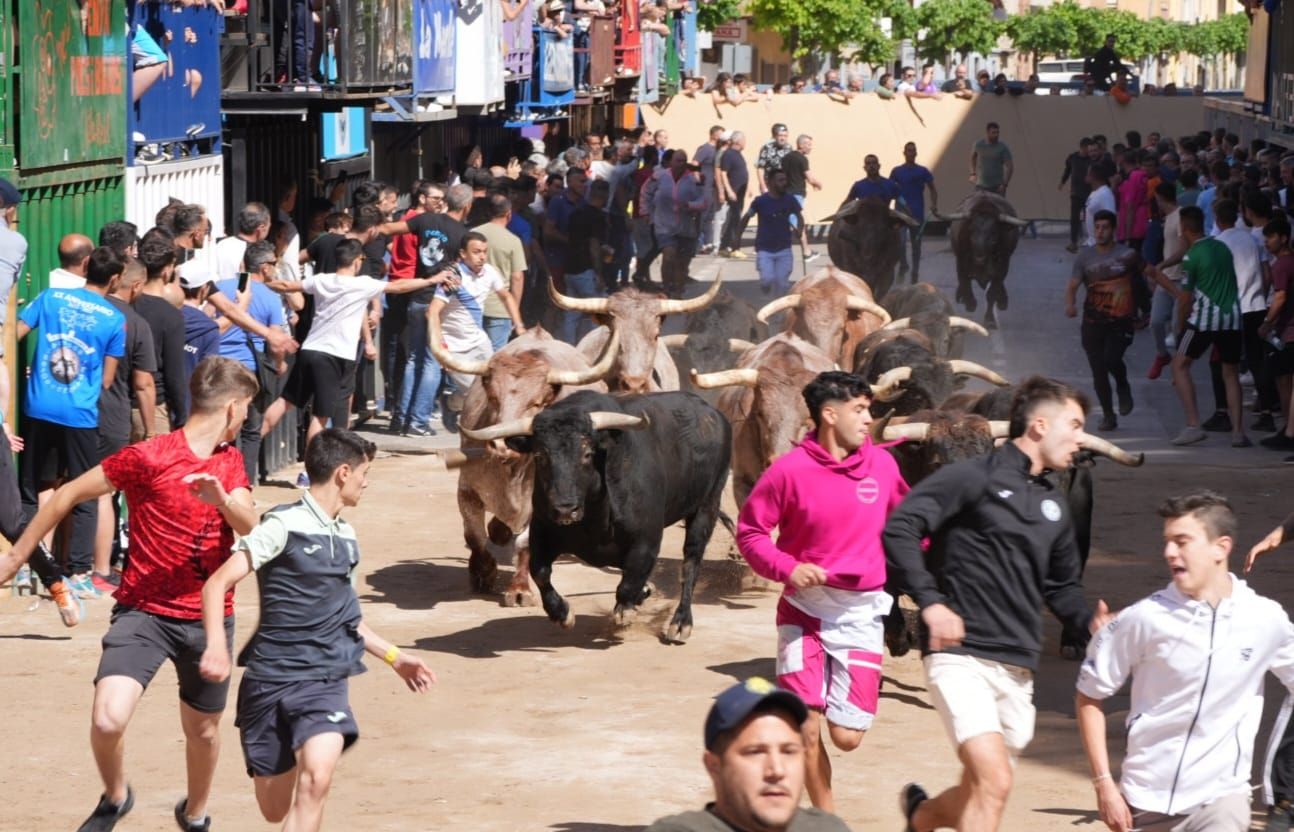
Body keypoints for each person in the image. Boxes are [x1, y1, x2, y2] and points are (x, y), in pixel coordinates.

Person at [0, 356, 262, 832]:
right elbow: (66, 495)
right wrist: (17, 557)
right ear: (233, 407)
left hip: (207, 619)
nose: (246, 418)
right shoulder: (150, 457)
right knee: (107, 720)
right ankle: (116, 796)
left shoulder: (230, 461)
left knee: (202, 731)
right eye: (246, 409)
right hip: (143, 612)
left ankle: (195, 814)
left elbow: (253, 527)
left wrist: (222, 500)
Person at [884, 376, 1112, 832]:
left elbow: (1061, 587)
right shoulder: (971, 477)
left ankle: (923, 817)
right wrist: (929, 603)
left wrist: (1089, 623)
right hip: (959, 655)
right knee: (996, 781)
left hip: (1018, 665)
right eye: (1075, 425)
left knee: (978, 787)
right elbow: (901, 528)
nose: (1081, 438)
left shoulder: (1054, 504)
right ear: (1040, 426)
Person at [198, 428, 435, 832]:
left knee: (317, 781)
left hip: (324, 679)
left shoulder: (346, 537)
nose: (366, 481)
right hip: (270, 681)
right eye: (364, 472)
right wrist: (217, 647)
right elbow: (217, 582)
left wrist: (395, 657)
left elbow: (347, 616)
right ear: (343, 472)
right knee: (274, 809)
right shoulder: (281, 525)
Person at [736, 372, 908, 811]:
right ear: (829, 415)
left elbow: (911, 529)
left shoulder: (884, 467)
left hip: (862, 614)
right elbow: (752, 533)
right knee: (806, 729)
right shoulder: (788, 471)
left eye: (869, 409)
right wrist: (788, 568)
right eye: (860, 409)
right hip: (803, 613)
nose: (870, 418)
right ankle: (826, 819)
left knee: (847, 738)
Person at [1077, 491, 1294, 832]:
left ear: (1220, 548)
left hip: (1222, 798)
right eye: (1167, 541)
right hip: (1144, 799)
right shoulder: (1142, 619)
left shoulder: (1265, 619)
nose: (1169, 552)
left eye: (1182, 541)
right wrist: (1104, 784)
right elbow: (1089, 696)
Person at [16, 246, 126, 598]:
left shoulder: (51, 297)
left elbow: (13, 333)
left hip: (38, 406)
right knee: (86, 492)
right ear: (114, 279)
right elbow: (108, 379)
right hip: (79, 414)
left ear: (85, 268)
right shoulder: (114, 319)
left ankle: (29, 566)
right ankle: (78, 570)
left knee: (37, 486)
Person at [271, 239, 441, 448]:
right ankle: (310, 474)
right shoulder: (363, 284)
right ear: (356, 261)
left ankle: (245, 455)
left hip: (309, 350)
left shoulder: (321, 280)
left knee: (283, 402)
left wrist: (258, 281)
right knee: (320, 418)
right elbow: (399, 286)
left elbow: (286, 285)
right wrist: (432, 280)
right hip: (333, 355)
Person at [643, 678, 850, 832]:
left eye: (789, 752)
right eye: (755, 752)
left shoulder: (827, 828)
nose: (776, 770)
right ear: (714, 766)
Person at [1149, 205, 1247, 447]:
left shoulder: (1192, 257)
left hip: (1205, 318)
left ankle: (1194, 425)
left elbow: (1185, 299)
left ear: (1183, 228)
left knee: (1179, 365)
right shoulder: (1222, 247)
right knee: (1231, 372)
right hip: (1232, 317)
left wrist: (1180, 329)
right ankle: (1237, 431)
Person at [94, 259, 159, 594]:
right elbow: (144, 384)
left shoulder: (86, 307)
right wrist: (149, 431)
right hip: (114, 415)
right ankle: (100, 570)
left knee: (67, 486)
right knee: (105, 492)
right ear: (135, 286)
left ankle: (65, 563)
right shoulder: (135, 323)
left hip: (74, 411)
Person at [214, 241, 288, 484]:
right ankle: (242, 486)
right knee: (251, 430)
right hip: (249, 370)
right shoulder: (270, 297)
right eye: (275, 265)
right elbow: (276, 341)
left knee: (219, 427)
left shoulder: (219, 288)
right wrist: (279, 364)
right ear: (265, 268)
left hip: (217, 368)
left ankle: (219, 480)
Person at [1066, 209, 1139, 431]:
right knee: (1098, 370)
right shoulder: (1084, 257)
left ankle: (1123, 384)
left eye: (1105, 227)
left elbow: (1152, 275)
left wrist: (1173, 293)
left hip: (1121, 321)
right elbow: (1073, 285)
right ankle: (1109, 415)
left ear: (1113, 229)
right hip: (1092, 322)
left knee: (1112, 359)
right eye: (1097, 227)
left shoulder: (1128, 255)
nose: (1100, 232)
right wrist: (1070, 304)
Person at [472, 192, 528, 350]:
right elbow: (517, 278)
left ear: (488, 212)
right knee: (495, 358)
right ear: (509, 214)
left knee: (472, 354)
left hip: (473, 304)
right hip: (500, 308)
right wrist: (514, 310)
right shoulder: (513, 240)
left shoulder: (472, 235)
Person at [737, 169, 803, 298]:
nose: (784, 183)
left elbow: (799, 217)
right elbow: (746, 218)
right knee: (767, 280)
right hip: (764, 249)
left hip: (784, 249)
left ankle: (778, 315)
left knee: (782, 284)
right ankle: (765, 285)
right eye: (780, 180)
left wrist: (799, 230)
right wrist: (737, 237)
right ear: (771, 182)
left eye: (785, 180)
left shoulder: (790, 200)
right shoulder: (760, 201)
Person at [651, 149, 707, 298]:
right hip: (664, 225)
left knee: (682, 262)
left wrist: (689, 205)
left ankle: (678, 290)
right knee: (668, 255)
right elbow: (645, 193)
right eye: (678, 160)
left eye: (684, 161)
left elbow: (703, 201)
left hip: (685, 226)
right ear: (671, 162)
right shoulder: (659, 176)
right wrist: (646, 213)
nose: (681, 164)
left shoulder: (693, 179)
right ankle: (666, 288)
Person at [1259, 218, 1294, 458]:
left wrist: (1266, 322)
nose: (1266, 242)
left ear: (1283, 238)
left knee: (1286, 381)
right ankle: (1288, 429)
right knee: (1284, 381)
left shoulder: (1282, 264)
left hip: (1289, 331)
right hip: (1286, 330)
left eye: (1270, 237)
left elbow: (1280, 297)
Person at [563, 180, 612, 343]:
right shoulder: (597, 216)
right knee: (598, 310)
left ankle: (568, 348)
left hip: (570, 269)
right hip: (586, 270)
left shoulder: (576, 213)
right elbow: (593, 245)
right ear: (605, 195)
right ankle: (595, 349)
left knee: (572, 313)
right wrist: (598, 273)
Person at [1146, 182, 1184, 380]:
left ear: (1160, 198)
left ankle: (1180, 367)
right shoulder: (1167, 218)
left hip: (1180, 278)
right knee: (1156, 322)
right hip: (1165, 278)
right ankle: (1162, 355)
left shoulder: (1180, 217)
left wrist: (1163, 264)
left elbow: (1184, 247)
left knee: (1178, 327)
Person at [890, 142, 938, 282]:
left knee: (916, 244)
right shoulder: (896, 171)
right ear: (904, 153)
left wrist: (934, 204)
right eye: (908, 151)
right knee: (900, 242)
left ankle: (915, 271)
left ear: (916, 153)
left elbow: (933, 189)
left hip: (917, 213)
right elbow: (890, 190)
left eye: (913, 151)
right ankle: (903, 265)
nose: (911, 153)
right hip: (900, 214)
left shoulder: (923, 171)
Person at [779, 135, 822, 264]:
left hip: (785, 193)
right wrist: (818, 183)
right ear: (801, 144)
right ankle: (806, 252)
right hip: (796, 194)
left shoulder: (786, 158)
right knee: (797, 223)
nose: (810, 147)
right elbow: (809, 177)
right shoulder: (802, 159)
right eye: (808, 144)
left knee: (790, 222)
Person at [215, 202, 272, 281]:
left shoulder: (221, 244)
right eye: (269, 225)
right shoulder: (254, 253)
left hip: (219, 291)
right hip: (242, 292)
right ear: (261, 228)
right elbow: (248, 284)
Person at [717, 132, 750, 259]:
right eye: (744, 140)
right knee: (736, 221)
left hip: (739, 193)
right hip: (734, 193)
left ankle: (724, 247)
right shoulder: (729, 154)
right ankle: (735, 248)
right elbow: (723, 173)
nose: (745, 143)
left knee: (733, 220)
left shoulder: (737, 154)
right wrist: (729, 191)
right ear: (739, 141)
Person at [1060, 138, 1095, 253]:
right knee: (1074, 218)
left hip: (1089, 193)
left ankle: (1092, 240)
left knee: (1090, 217)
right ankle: (1073, 242)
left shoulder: (1092, 160)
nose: (1090, 151)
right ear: (1083, 147)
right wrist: (1062, 182)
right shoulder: (1072, 158)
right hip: (1076, 193)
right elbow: (1067, 170)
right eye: (1088, 148)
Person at [970, 122, 1013, 196]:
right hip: (981, 186)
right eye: (993, 133)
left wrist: (1004, 184)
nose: (996, 135)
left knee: (999, 207)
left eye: (997, 132)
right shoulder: (978, 145)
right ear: (987, 133)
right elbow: (973, 158)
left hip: (997, 187)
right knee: (978, 206)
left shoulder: (1002, 147)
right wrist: (972, 173)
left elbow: (1010, 167)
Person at [1083, 164, 1117, 247]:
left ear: (1094, 175)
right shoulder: (1094, 192)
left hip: (1101, 244)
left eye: (1088, 174)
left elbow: (1111, 217)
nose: (1086, 176)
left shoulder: (1105, 194)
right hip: (1092, 242)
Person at [755, 124, 793, 195]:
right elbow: (760, 168)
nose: (783, 138)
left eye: (785, 136)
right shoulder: (767, 148)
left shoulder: (789, 148)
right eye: (780, 135)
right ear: (775, 136)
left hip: (784, 187)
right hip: (769, 186)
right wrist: (763, 186)